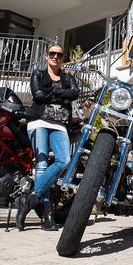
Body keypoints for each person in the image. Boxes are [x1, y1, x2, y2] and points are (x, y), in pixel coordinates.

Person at [16, 43, 79, 231]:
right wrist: (62, 94)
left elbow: (75, 93)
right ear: (46, 56)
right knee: (42, 165)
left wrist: (53, 92)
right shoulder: (38, 74)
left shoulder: (68, 77)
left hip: (60, 125)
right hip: (39, 121)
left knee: (63, 160)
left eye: (59, 55)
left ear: (63, 58)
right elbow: (38, 95)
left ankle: (28, 199)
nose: (55, 57)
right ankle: (48, 217)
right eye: (52, 53)